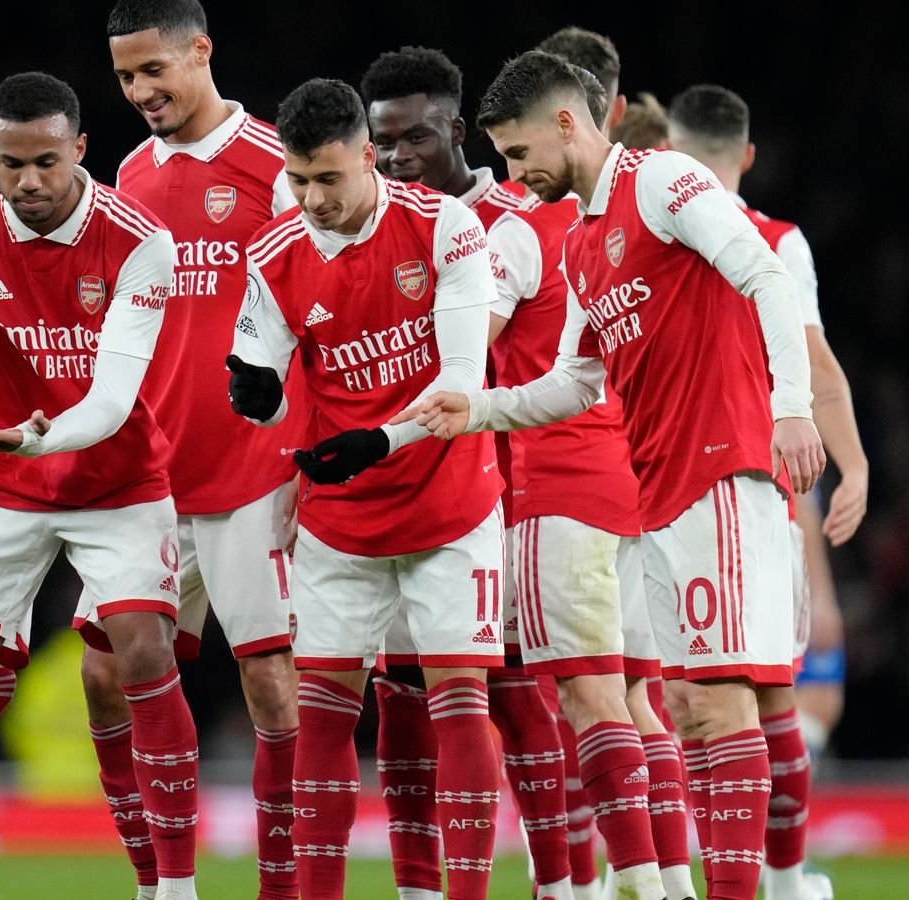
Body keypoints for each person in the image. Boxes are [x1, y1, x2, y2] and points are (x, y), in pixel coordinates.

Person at [411, 50, 825, 900]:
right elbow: (576, 382)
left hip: (721, 468)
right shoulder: (585, 243)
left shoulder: (664, 182)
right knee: (688, 716)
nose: (515, 177)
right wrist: (474, 408)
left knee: (719, 708)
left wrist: (791, 407)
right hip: (658, 493)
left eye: (521, 155)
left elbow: (764, 275)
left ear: (568, 123)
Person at [0, 72, 197, 900]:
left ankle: (174, 888)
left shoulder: (140, 240)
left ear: (81, 150)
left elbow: (113, 401)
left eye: (48, 161)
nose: (30, 182)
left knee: (145, 653)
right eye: (12, 163)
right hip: (0, 476)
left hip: (114, 475)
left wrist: (21, 431)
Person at [228, 77, 505, 900]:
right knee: (322, 713)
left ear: (364, 155)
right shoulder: (273, 255)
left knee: (458, 698)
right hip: (339, 517)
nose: (312, 198)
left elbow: (461, 382)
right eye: (299, 180)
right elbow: (260, 372)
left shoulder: (445, 229)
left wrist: (377, 440)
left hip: (450, 503)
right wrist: (254, 390)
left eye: (328, 179)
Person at [359, 45, 575, 900]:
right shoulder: (370, 222)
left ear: (456, 129)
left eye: (414, 138)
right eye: (383, 142)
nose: (397, 157)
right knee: (402, 696)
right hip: (396, 491)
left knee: (518, 701)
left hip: (507, 493)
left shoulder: (514, 221)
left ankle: (558, 883)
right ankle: (418, 887)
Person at [102, 2, 302, 897]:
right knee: (109, 679)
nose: (141, 92)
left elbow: (311, 302)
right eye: (125, 77)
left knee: (273, 688)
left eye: (154, 71)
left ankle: (287, 884)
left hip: (254, 466)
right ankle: (161, 883)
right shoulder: (129, 173)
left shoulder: (273, 162)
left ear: (202, 51)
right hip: (150, 472)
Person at [479, 61, 692, 900]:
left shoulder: (524, 231)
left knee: (587, 702)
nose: (511, 172)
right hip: (633, 486)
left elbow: (465, 352)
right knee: (643, 702)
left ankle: (628, 884)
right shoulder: (623, 223)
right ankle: (672, 883)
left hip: (557, 488)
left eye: (514, 151)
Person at [668, 82, 865, 900]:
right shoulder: (780, 239)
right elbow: (815, 375)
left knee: (697, 705)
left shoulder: (656, 238)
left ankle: (736, 882)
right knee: (749, 702)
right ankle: (772, 882)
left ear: (668, 156)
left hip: (679, 501)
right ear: (745, 156)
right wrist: (856, 467)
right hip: (756, 507)